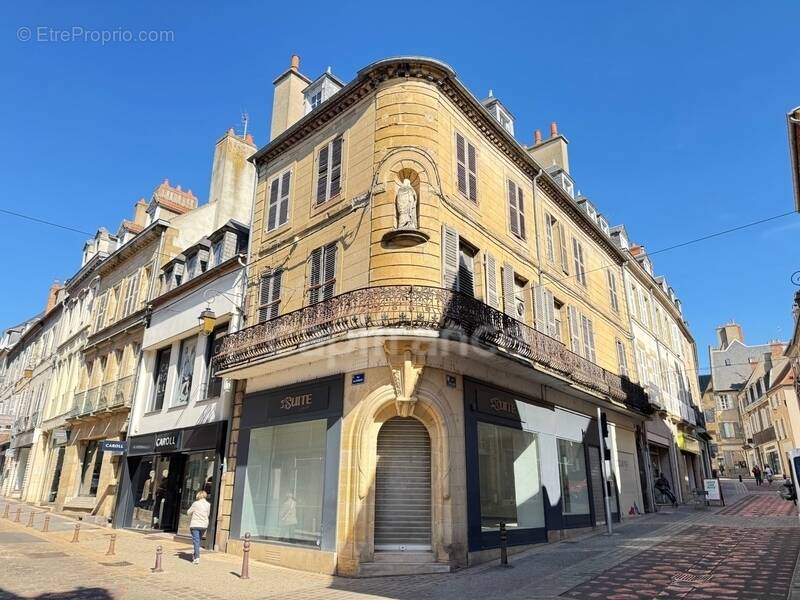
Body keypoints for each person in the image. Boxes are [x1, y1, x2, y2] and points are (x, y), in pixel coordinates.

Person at [186, 490, 211, 565]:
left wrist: (192, 513)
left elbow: (188, 512)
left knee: (196, 541)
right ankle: (195, 555)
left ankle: (197, 557)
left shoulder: (195, 503)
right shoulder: (208, 504)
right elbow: (208, 514)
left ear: (198, 496)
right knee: (198, 540)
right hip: (204, 525)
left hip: (195, 525)